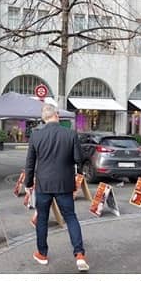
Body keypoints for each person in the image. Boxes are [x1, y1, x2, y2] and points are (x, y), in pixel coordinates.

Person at [24, 104, 89, 271]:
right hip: (64, 183)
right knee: (71, 217)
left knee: (42, 219)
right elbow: (78, 159)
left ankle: (42, 254)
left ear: (43, 118)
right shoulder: (70, 134)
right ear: (57, 115)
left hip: (43, 184)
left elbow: (30, 163)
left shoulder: (36, 136)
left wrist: (28, 184)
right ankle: (79, 254)